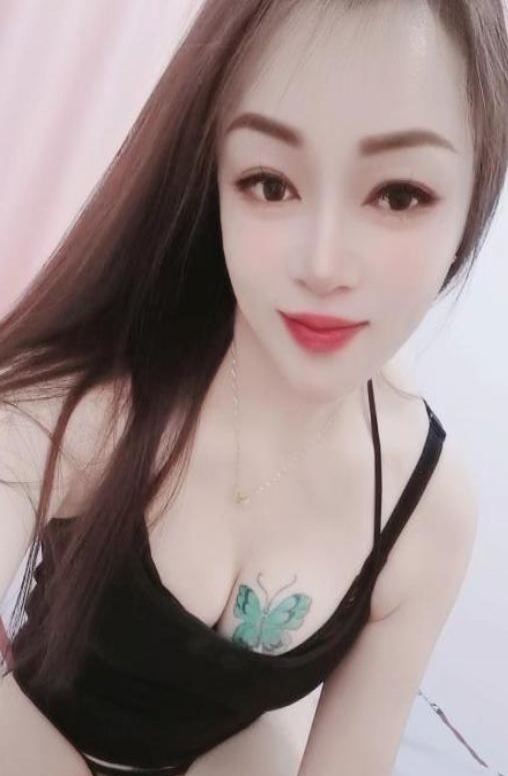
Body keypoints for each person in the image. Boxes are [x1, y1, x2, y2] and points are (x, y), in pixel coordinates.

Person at [0, 1, 507, 775]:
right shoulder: (94, 400)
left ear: (476, 191)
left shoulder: (425, 511)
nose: (323, 265)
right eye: (270, 184)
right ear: (213, 178)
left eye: (399, 194)